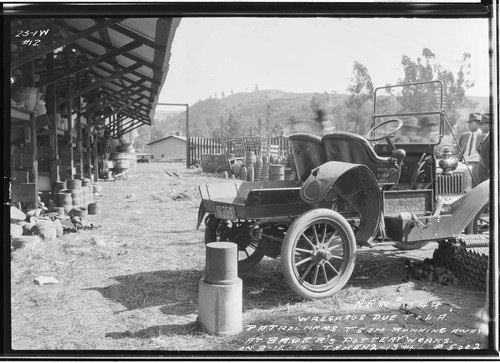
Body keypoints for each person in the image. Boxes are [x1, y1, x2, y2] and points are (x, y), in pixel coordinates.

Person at [458, 112, 483, 185]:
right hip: (463, 163)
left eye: (471, 122)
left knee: (474, 185)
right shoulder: (464, 136)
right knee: (461, 185)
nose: (468, 124)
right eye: (468, 122)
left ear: (478, 124)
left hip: (476, 163)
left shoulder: (483, 136)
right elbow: (458, 150)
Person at [478, 113, 492, 183]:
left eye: (482, 124)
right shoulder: (488, 136)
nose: (480, 126)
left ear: (490, 124)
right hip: (484, 175)